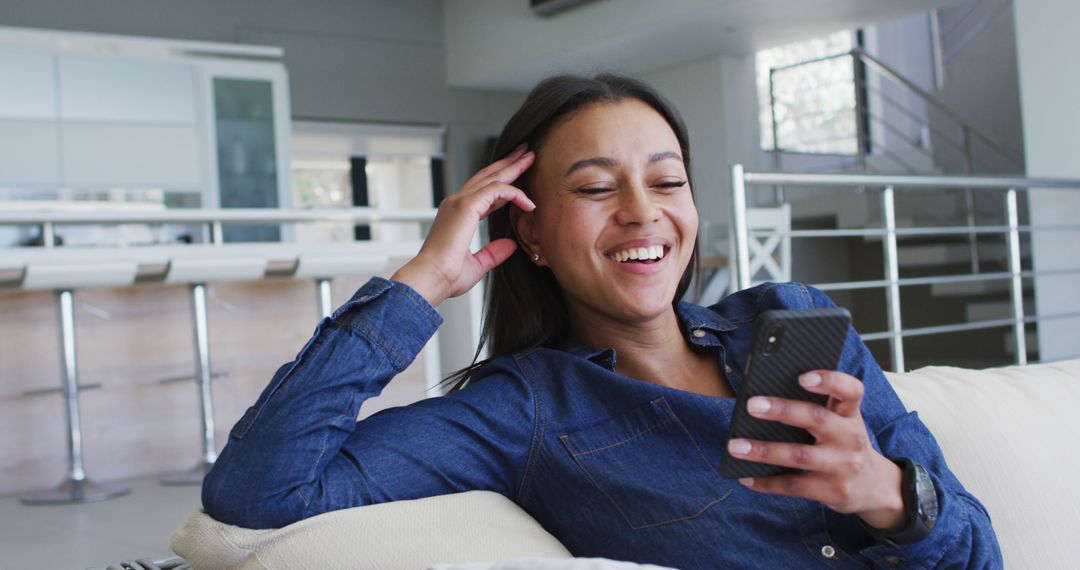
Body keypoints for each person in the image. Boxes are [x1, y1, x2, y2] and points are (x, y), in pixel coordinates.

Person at [202, 74, 1002, 568]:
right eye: (594, 189)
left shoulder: (792, 320)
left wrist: (892, 495)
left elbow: (979, 553)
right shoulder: (522, 410)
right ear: (534, 235)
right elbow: (259, 490)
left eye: (667, 181)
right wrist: (423, 282)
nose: (642, 213)